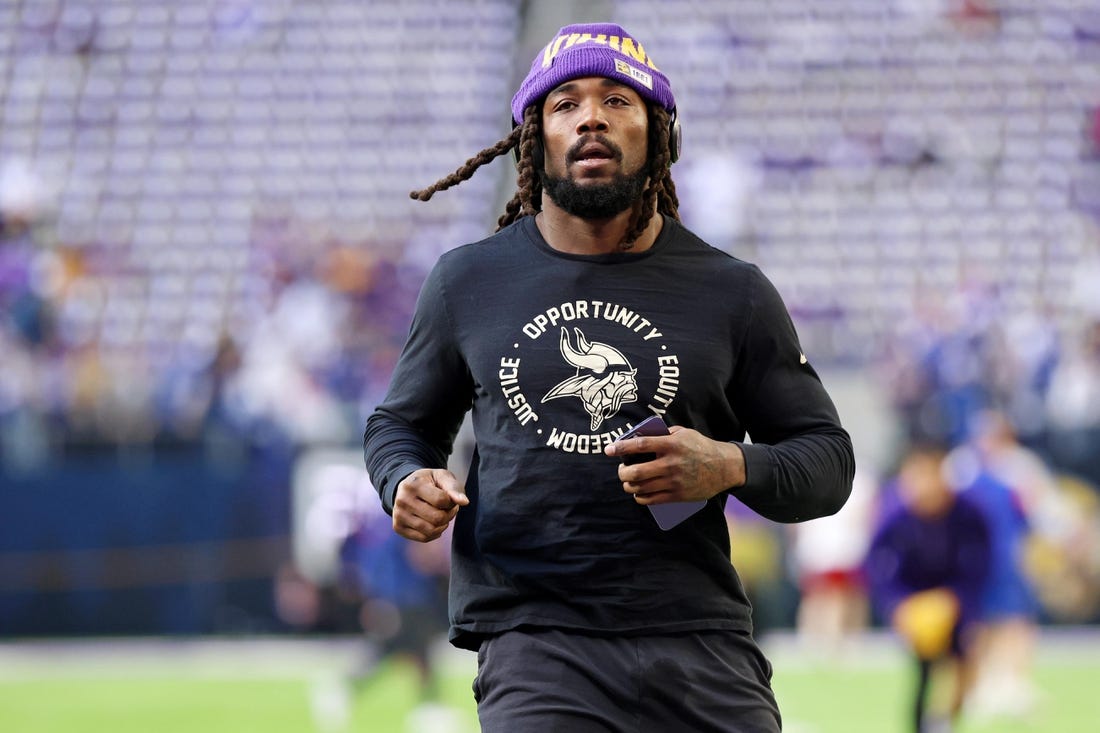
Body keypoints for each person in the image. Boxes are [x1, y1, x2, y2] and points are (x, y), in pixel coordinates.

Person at [364, 22, 855, 732]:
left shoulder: (732, 290)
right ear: (535, 139)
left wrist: (725, 462)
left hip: (701, 640)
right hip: (537, 644)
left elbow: (828, 462)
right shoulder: (467, 280)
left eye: (617, 100)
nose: (591, 115)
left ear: (659, 134)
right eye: (565, 103)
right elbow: (400, 425)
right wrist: (403, 479)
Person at [864, 443, 993, 733]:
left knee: (964, 667)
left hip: (955, 601)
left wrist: (961, 602)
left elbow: (980, 564)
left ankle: (948, 722)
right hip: (916, 604)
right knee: (922, 673)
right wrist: (897, 605)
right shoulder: (896, 515)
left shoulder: (968, 513)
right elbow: (877, 565)